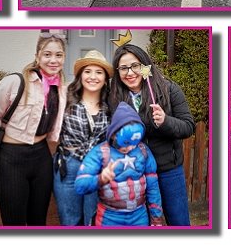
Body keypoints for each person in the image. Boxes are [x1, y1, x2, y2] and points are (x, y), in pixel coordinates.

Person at [0, 31, 67, 225]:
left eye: (58, 55)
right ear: (37, 56)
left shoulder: (61, 89)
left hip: (41, 158)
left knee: (38, 221)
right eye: (47, 54)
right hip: (12, 159)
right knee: (13, 222)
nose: (53, 60)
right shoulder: (15, 82)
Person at [108, 43, 194, 225]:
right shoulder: (114, 96)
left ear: (145, 66)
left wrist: (165, 121)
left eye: (135, 66)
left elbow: (188, 126)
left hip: (168, 170)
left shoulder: (168, 89)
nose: (130, 73)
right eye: (123, 68)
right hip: (133, 173)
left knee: (178, 221)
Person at [74, 102, 164, 226]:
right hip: (109, 217)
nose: (130, 148)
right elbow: (80, 186)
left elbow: (153, 186)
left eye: (134, 143)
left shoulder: (143, 151)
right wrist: (101, 179)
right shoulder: (100, 152)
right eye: (126, 143)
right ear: (114, 134)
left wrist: (156, 217)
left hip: (139, 216)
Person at [55, 50, 113, 226]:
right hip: (68, 164)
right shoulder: (65, 97)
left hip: (97, 167)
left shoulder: (110, 104)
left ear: (105, 78)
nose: (93, 77)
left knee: (92, 217)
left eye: (99, 72)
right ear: (80, 75)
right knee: (70, 219)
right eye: (87, 71)